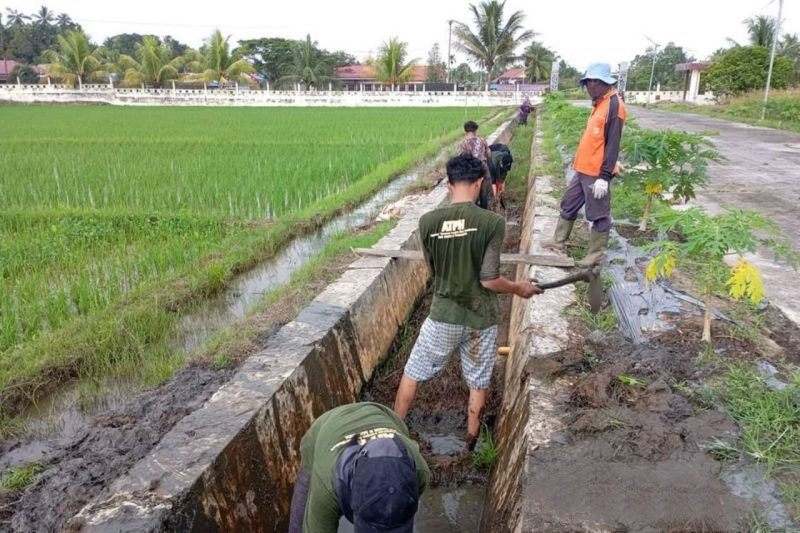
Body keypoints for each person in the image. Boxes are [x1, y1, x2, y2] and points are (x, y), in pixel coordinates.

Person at [393, 154, 540, 451]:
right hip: (479, 318)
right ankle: (470, 445)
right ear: (480, 182)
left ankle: (393, 437)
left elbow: (434, 271)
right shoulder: (491, 223)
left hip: (443, 315)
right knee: (477, 381)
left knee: (413, 372)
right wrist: (518, 288)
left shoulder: (428, 222)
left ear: (449, 184)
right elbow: (489, 280)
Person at [288, 402, 429, 533]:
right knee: (300, 523)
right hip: (327, 429)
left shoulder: (419, 472)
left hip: (382, 415)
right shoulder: (326, 486)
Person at [552, 62, 627, 266]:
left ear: (605, 83)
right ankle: (558, 242)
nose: (590, 86)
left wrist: (604, 176)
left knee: (598, 214)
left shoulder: (614, 105)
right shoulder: (599, 103)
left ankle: (594, 256)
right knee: (568, 204)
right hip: (583, 169)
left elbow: (613, 143)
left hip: (596, 173)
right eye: (588, 82)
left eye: (595, 82)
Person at [458, 120, 493, 209]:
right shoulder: (482, 140)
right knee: (485, 194)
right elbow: (489, 155)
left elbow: (461, 159)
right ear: (475, 130)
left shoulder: (463, 143)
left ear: (465, 131)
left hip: (471, 170)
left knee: (472, 194)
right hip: (483, 167)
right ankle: (486, 213)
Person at [487, 143, 513, 210]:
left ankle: (500, 193)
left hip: (501, 151)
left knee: (500, 179)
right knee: (494, 178)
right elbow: (493, 182)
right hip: (489, 153)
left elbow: (504, 175)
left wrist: (502, 191)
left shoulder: (508, 157)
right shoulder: (492, 162)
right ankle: (495, 196)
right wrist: (495, 197)